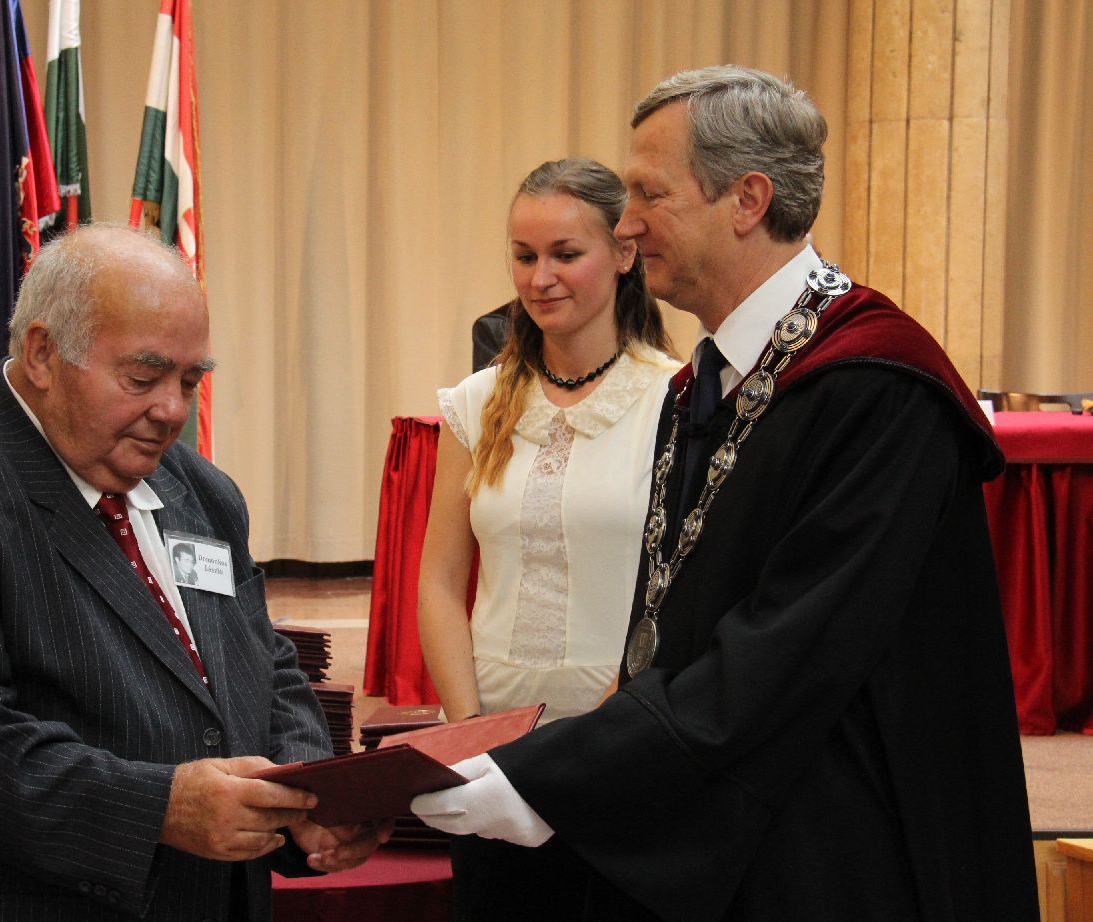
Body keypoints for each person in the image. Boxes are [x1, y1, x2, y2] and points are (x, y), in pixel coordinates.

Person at [414, 66, 1039, 921]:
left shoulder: (875, 385)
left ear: (747, 200)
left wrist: (552, 777)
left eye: (650, 194)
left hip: (838, 845)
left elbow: (783, 652)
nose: (626, 224)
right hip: (727, 814)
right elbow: (671, 632)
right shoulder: (711, 382)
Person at [0, 224, 387, 922]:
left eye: (191, 381)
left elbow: (264, 664)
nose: (172, 411)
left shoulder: (204, 492)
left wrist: (306, 794)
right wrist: (160, 808)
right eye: (143, 378)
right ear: (42, 353)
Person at [416, 157, 678, 919]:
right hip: (491, 749)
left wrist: (595, 749)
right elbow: (438, 582)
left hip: (622, 745)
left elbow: (676, 596)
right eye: (524, 255)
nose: (540, 278)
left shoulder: (674, 399)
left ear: (623, 253)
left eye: (566, 254)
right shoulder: (475, 403)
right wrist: (469, 732)